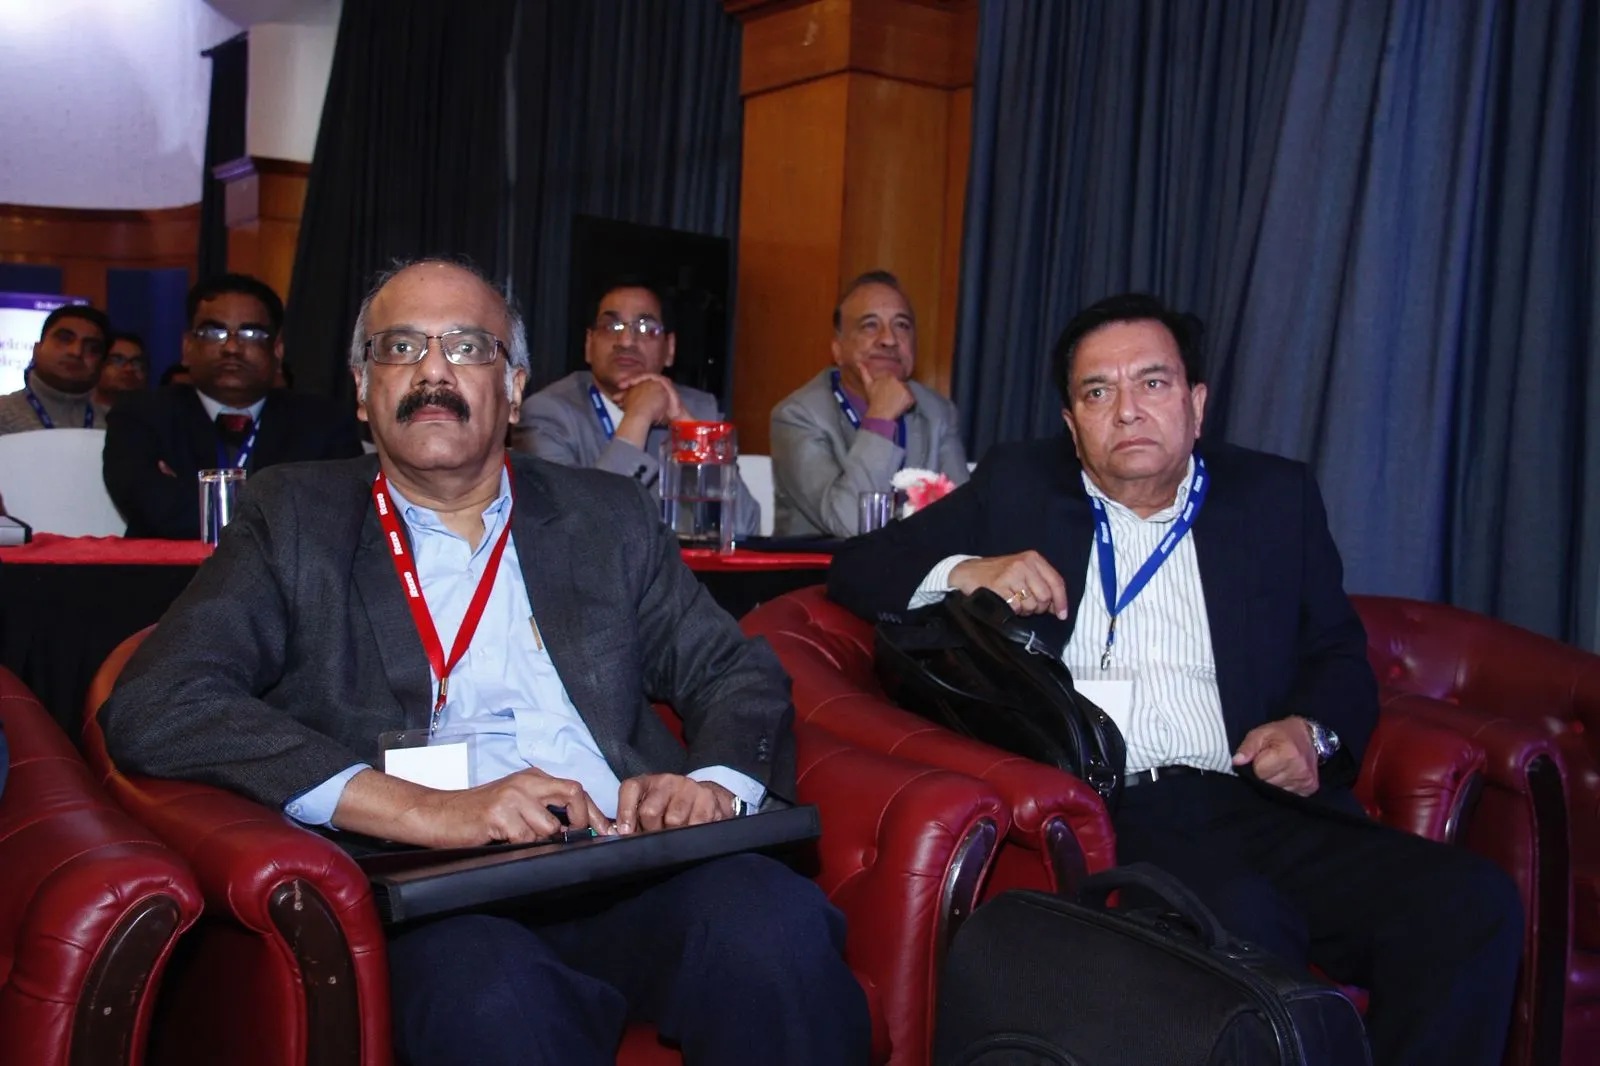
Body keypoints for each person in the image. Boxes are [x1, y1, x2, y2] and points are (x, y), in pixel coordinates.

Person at [99, 258, 869, 1066]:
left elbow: (733, 672)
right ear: (363, 389)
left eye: (467, 347)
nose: (432, 371)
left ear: (514, 388)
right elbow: (160, 699)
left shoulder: (605, 516)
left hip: (628, 862)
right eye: (401, 347)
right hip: (442, 900)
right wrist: (419, 810)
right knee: (492, 1002)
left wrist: (710, 786)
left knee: (776, 927)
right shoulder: (293, 518)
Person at [828, 292, 1522, 1066]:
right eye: (1098, 392)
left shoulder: (1273, 498)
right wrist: (970, 570)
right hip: (1111, 806)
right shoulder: (1022, 485)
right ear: (1072, 423)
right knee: (1245, 926)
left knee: (1472, 904)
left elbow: (1336, 651)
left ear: (1196, 403)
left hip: (1254, 793)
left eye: (1152, 383)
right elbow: (857, 569)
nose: (1127, 410)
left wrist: (1311, 732)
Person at [102, 274, 363, 539]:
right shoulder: (140, 415)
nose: (232, 348)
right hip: (169, 567)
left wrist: (187, 497)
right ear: (187, 347)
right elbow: (150, 509)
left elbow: (336, 512)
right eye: (214, 332)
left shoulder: (323, 424)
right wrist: (283, 505)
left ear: (277, 350)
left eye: (251, 333)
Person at [514, 278, 759, 537]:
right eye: (611, 326)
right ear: (589, 344)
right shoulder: (546, 415)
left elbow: (744, 527)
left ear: (670, 349)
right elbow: (577, 528)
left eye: (646, 328)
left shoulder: (699, 410)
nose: (626, 341)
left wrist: (684, 424)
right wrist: (639, 416)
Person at [770, 270, 970, 537]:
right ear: (838, 350)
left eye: (902, 325)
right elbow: (850, 523)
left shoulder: (937, 412)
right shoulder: (798, 416)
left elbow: (965, 520)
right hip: (826, 563)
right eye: (870, 325)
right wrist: (881, 418)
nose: (889, 340)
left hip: (918, 563)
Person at [0, 304, 110, 435]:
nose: (76, 352)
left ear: (102, 364)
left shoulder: (116, 424)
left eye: (92, 348)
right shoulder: (3, 413)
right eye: (64, 339)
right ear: (37, 349)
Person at [95, 331, 150, 408]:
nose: (129, 369)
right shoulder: (80, 411)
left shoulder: (155, 414)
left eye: (137, 363)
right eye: (118, 360)